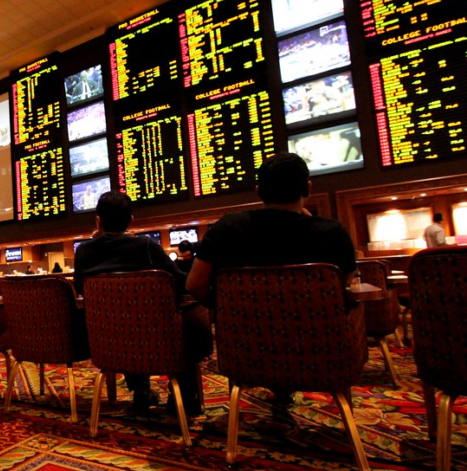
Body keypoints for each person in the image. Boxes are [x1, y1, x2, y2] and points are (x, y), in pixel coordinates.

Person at [74, 190, 210, 416]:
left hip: (109, 340)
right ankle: (184, 399)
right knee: (188, 320)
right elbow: (182, 284)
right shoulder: (145, 246)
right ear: (131, 220)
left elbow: (80, 288)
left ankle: (141, 392)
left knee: (124, 320)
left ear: (98, 221)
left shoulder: (84, 251)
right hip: (158, 337)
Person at [187, 153, 358, 307]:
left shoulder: (224, 229)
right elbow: (343, 283)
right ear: (308, 188)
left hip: (243, 331)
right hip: (318, 330)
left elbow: (194, 286)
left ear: (258, 191)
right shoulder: (333, 233)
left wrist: (225, 309)